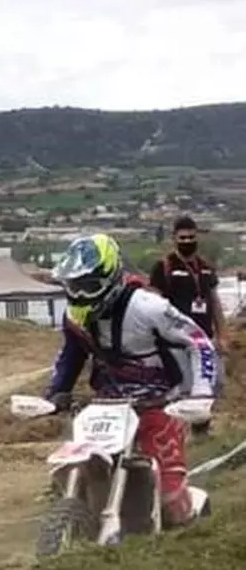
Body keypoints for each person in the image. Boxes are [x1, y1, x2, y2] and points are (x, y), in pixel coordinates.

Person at [47, 233, 217, 528]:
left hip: (159, 401)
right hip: (105, 403)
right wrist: (56, 393)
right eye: (73, 286)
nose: (80, 294)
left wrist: (201, 393)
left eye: (88, 286)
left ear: (111, 278)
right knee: (75, 466)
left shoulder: (149, 307)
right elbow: (71, 355)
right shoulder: (74, 317)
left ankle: (189, 518)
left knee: (170, 502)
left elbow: (198, 341)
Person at [149, 216, 225, 435]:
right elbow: (153, 304)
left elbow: (215, 303)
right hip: (176, 342)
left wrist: (222, 335)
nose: (187, 241)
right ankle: (175, 433)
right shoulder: (163, 267)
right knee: (184, 389)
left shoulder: (206, 268)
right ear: (174, 238)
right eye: (182, 238)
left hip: (204, 341)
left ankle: (202, 431)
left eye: (191, 237)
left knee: (211, 386)